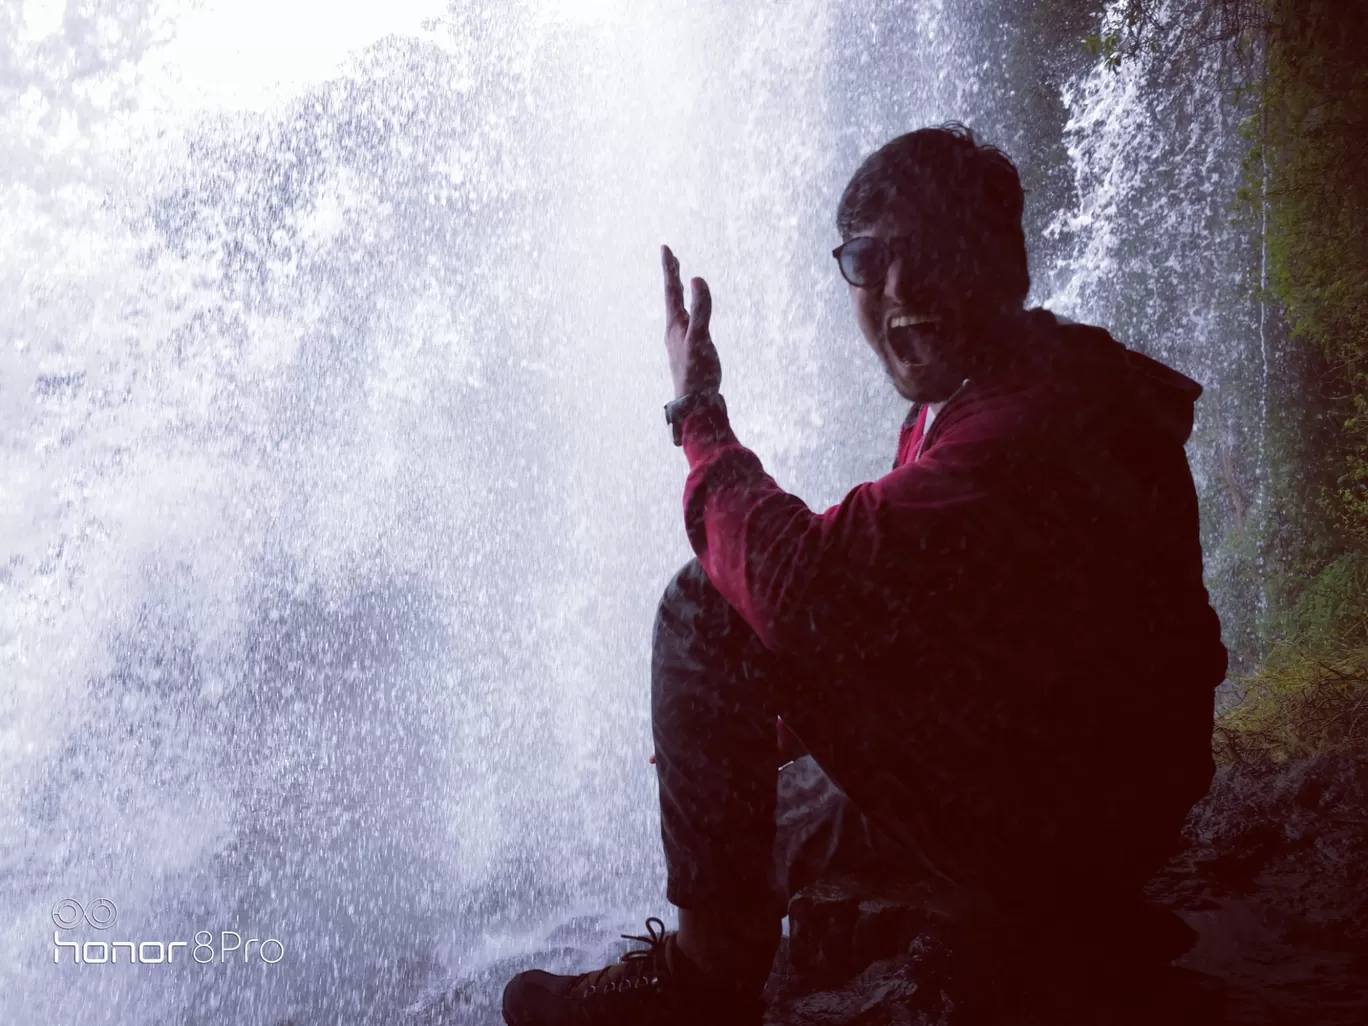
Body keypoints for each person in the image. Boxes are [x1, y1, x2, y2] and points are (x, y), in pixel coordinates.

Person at [501, 123, 1227, 1026]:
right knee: (756, 804)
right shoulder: (1006, 384)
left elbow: (799, 590)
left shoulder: (1030, 421)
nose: (899, 288)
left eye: (929, 253)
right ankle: (957, 912)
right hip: (1081, 785)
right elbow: (952, 624)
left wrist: (698, 411)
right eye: (868, 259)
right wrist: (781, 720)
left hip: (1069, 820)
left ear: (1003, 262)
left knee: (708, 603)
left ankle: (709, 980)